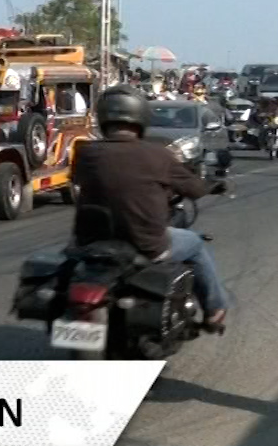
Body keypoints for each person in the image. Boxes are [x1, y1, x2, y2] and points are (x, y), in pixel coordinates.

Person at [71, 86, 232, 329]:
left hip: (90, 242)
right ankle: (214, 310)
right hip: (146, 245)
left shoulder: (85, 152)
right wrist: (211, 185)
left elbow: (82, 180)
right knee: (195, 244)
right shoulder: (158, 155)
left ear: (103, 117)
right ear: (141, 117)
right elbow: (195, 189)